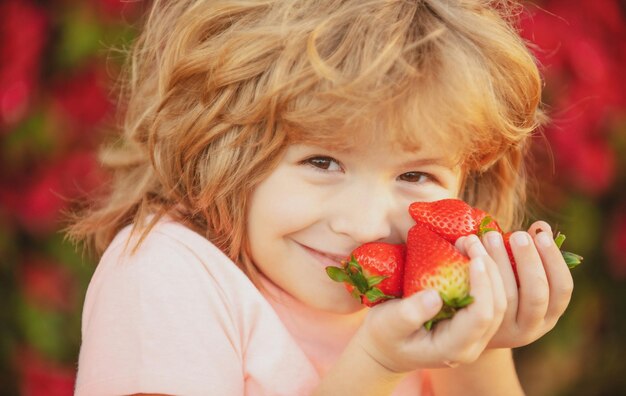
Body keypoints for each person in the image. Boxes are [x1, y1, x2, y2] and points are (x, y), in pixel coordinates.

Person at [68, 0, 574, 395]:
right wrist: (376, 365)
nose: (364, 225)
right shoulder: (169, 276)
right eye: (322, 162)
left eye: (416, 174)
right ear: (222, 144)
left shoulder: (422, 284)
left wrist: (478, 343)